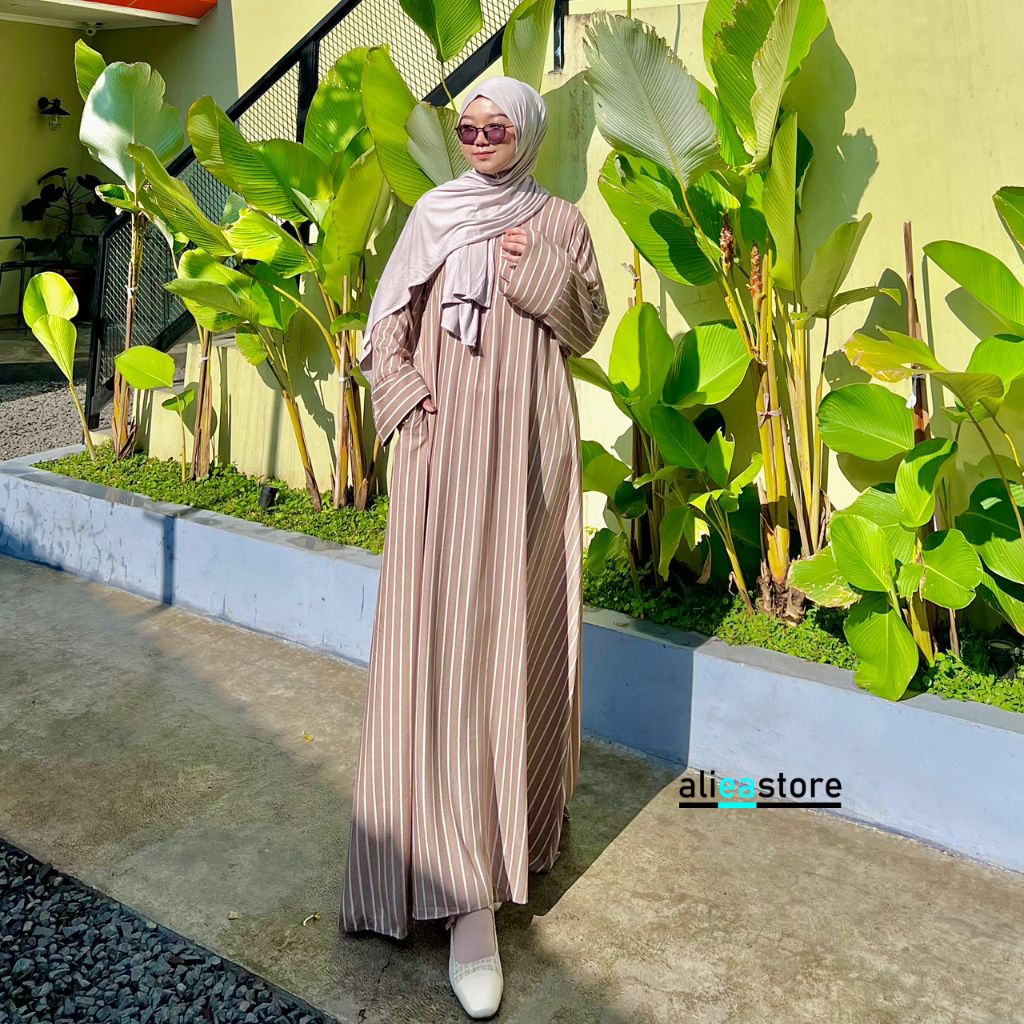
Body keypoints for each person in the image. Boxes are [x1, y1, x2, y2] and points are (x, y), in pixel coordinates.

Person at [338, 74, 609, 1019]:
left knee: (512, 645)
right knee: (445, 655)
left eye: (498, 126)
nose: (481, 137)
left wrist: (541, 269)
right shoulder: (433, 214)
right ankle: (462, 898)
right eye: (469, 126)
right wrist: (408, 405)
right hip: (445, 459)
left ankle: (510, 839)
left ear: (527, 132)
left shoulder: (561, 219)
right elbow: (386, 327)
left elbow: (585, 327)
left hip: (529, 458)